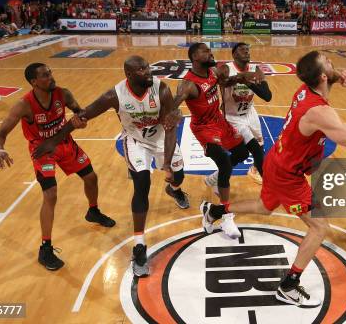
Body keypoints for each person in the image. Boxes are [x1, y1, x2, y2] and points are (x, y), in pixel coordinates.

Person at [200, 50, 346, 307]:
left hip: (277, 160)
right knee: (319, 226)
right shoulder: (318, 113)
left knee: (264, 207)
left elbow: (325, 77)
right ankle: (289, 284)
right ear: (322, 76)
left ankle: (214, 210)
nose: (332, 63)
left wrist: (338, 76)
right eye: (328, 63)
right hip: (288, 174)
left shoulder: (307, 88)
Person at [32, 56, 187, 277]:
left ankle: (174, 189)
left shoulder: (161, 89)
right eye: (142, 69)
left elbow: (171, 128)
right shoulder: (114, 95)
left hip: (161, 138)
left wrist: (168, 165)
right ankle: (139, 245)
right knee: (142, 183)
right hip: (135, 141)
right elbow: (84, 114)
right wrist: (54, 140)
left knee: (179, 177)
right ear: (130, 75)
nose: (148, 71)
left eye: (147, 67)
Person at [0, 63, 115, 271]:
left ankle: (93, 211)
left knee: (91, 178)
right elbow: (0, 133)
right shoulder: (24, 105)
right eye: (45, 75)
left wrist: (80, 121)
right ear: (34, 82)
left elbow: (80, 114)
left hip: (65, 144)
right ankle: (45, 248)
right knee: (50, 194)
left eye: (50, 73)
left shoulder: (63, 94)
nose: (51, 77)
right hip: (43, 151)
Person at [167, 42, 253, 239]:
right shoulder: (188, 84)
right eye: (205, 50)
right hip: (203, 128)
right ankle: (226, 216)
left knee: (242, 153)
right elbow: (175, 101)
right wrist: (174, 111)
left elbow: (225, 82)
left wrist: (242, 77)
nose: (210, 52)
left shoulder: (213, 70)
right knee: (223, 160)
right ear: (195, 57)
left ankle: (215, 182)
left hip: (219, 121)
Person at [216, 42, 271, 185]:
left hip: (250, 112)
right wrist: (241, 77)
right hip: (233, 116)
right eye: (242, 50)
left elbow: (267, 96)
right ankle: (269, 186)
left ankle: (254, 170)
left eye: (248, 49)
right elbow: (224, 83)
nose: (247, 52)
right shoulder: (226, 69)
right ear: (234, 54)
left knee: (260, 145)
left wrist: (249, 82)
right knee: (256, 150)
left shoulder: (256, 70)